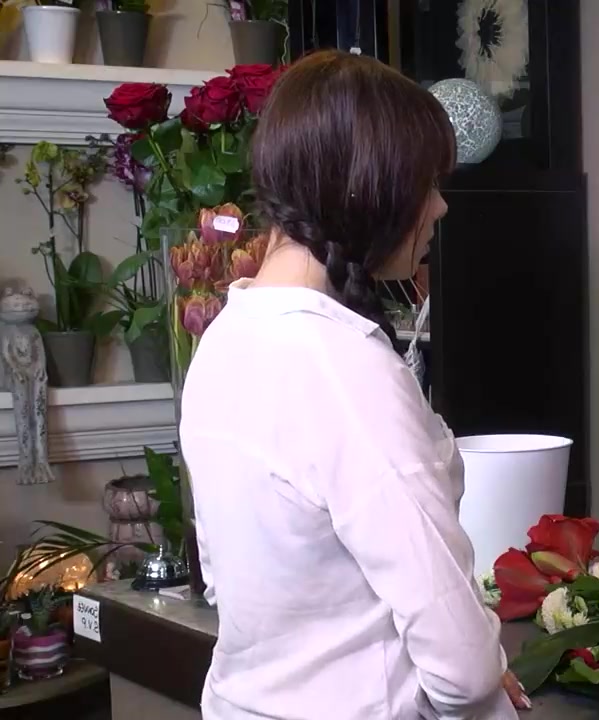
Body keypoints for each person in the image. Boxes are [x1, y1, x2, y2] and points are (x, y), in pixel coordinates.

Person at [179, 51, 529, 719]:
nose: (440, 207)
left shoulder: (226, 336)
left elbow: (233, 584)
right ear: (372, 191)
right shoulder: (344, 372)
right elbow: (461, 669)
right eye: (427, 183)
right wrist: (482, 671)